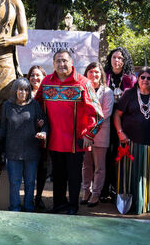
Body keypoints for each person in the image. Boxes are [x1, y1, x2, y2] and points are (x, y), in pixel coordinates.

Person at [35, 50, 104, 215]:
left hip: (76, 141)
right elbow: (37, 105)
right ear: (53, 64)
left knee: (74, 177)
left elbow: (98, 114)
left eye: (64, 61)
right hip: (53, 140)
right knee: (58, 176)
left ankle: (73, 206)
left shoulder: (83, 83)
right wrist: (38, 123)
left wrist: (89, 134)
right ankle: (59, 204)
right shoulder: (46, 82)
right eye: (58, 61)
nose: (61, 64)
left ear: (71, 62)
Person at [0, 78, 48, 212]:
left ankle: (29, 208)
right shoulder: (7, 106)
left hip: (32, 151)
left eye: (26, 90)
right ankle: (15, 209)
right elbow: (3, 128)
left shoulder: (34, 105)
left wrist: (43, 131)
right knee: (15, 183)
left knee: (30, 183)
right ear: (15, 90)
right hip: (13, 151)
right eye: (20, 89)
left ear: (29, 92)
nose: (23, 92)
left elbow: (44, 123)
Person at [113, 67, 150, 214]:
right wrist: (120, 133)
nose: (145, 80)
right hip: (130, 143)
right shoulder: (129, 95)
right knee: (131, 174)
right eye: (142, 77)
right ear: (138, 79)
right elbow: (117, 115)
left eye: (149, 78)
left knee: (149, 174)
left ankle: (148, 203)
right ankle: (131, 203)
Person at [101, 47, 136, 203]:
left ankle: (118, 188)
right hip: (105, 122)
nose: (117, 61)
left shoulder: (131, 79)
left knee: (120, 156)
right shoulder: (104, 77)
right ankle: (103, 188)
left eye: (120, 58)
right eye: (114, 57)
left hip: (124, 123)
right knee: (105, 156)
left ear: (125, 61)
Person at [81, 62, 114, 207]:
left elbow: (106, 113)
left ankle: (96, 194)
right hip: (84, 133)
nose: (94, 75)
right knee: (86, 165)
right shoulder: (82, 90)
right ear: (86, 73)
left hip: (100, 133)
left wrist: (91, 129)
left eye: (96, 72)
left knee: (99, 166)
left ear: (101, 74)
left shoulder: (107, 92)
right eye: (91, 72)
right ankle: (85, 191)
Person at [27, 65, 48, 209]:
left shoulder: (48, 93)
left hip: (43, 138)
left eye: (38, 75)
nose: (35, 78)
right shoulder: (23, 93)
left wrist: (43, 124)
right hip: (26, 139)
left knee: (42, 169)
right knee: (28, 171)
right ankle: (27, 197)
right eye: (32, 75)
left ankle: (39, 196)